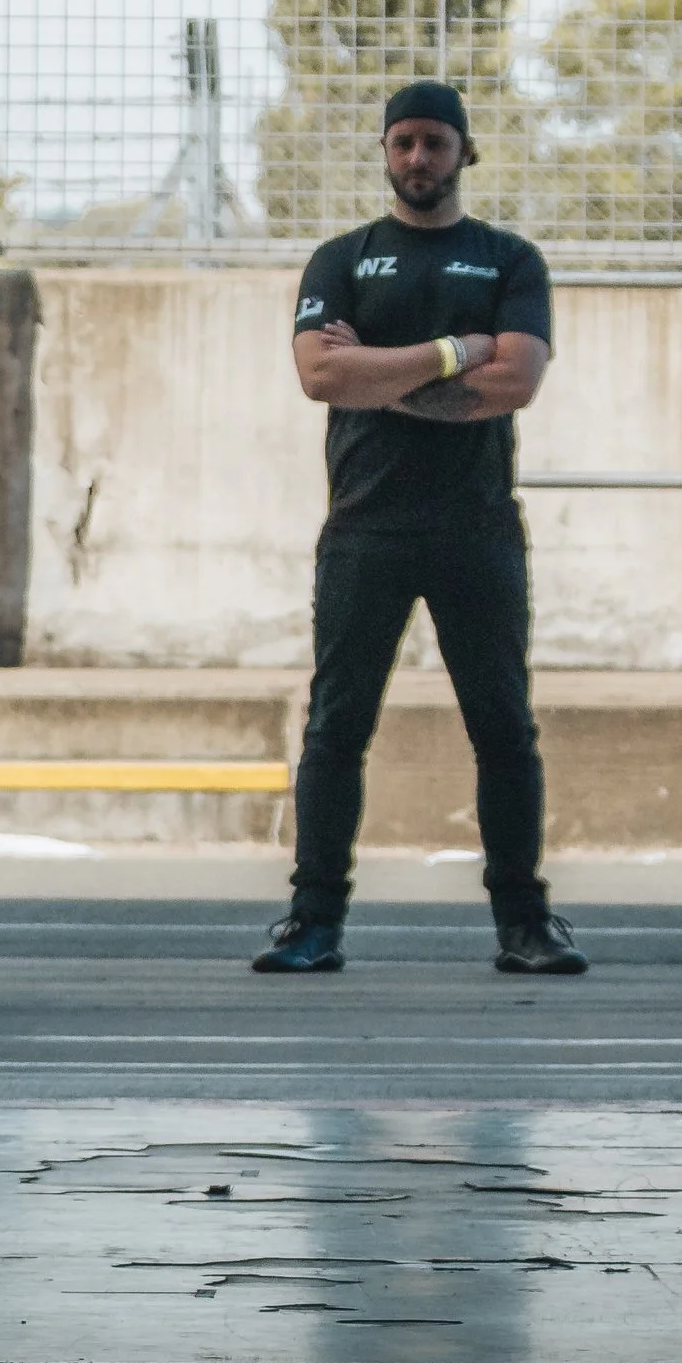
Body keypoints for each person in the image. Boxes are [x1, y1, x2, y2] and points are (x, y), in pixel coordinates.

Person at [256, 76, 585, 979]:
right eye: (402, 142)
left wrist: (380, 374)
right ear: (385, 151)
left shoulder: (510, 260)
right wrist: (449, 356)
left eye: (435, 143)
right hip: (366, 530)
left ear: (464, 153)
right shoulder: (342, 260)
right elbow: (322, 379)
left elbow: (513, 384)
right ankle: (313, 919)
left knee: (503, 726)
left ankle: (525, 921)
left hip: (476, 530)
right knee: (336, 727)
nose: (417, 159)